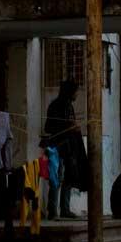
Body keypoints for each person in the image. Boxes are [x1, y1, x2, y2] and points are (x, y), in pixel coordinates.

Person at [44, 80, 86, 219]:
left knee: (69, 177)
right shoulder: (55, 106)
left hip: (69, 148)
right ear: (69, 92)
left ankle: (65, 209)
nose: (77, 94)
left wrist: (73, 127)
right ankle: (52, 211)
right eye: (75, 91)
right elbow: (48, 128)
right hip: (57, 147)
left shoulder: (69, 106)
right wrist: (69, 126)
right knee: (56, 178)